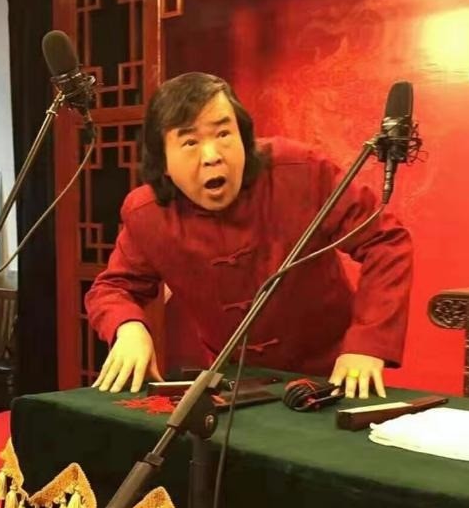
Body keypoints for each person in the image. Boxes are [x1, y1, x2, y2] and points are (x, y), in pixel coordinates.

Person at [85, 72, 413, 399]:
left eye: (223, 133)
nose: (212, 156)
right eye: (190, 142)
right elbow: (113, 288)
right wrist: (128, 328)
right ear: (164, 163)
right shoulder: (148, 213)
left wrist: (367, 344)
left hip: (334, 376)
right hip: (235, 385)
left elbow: (385, 241)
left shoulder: (302, 170)